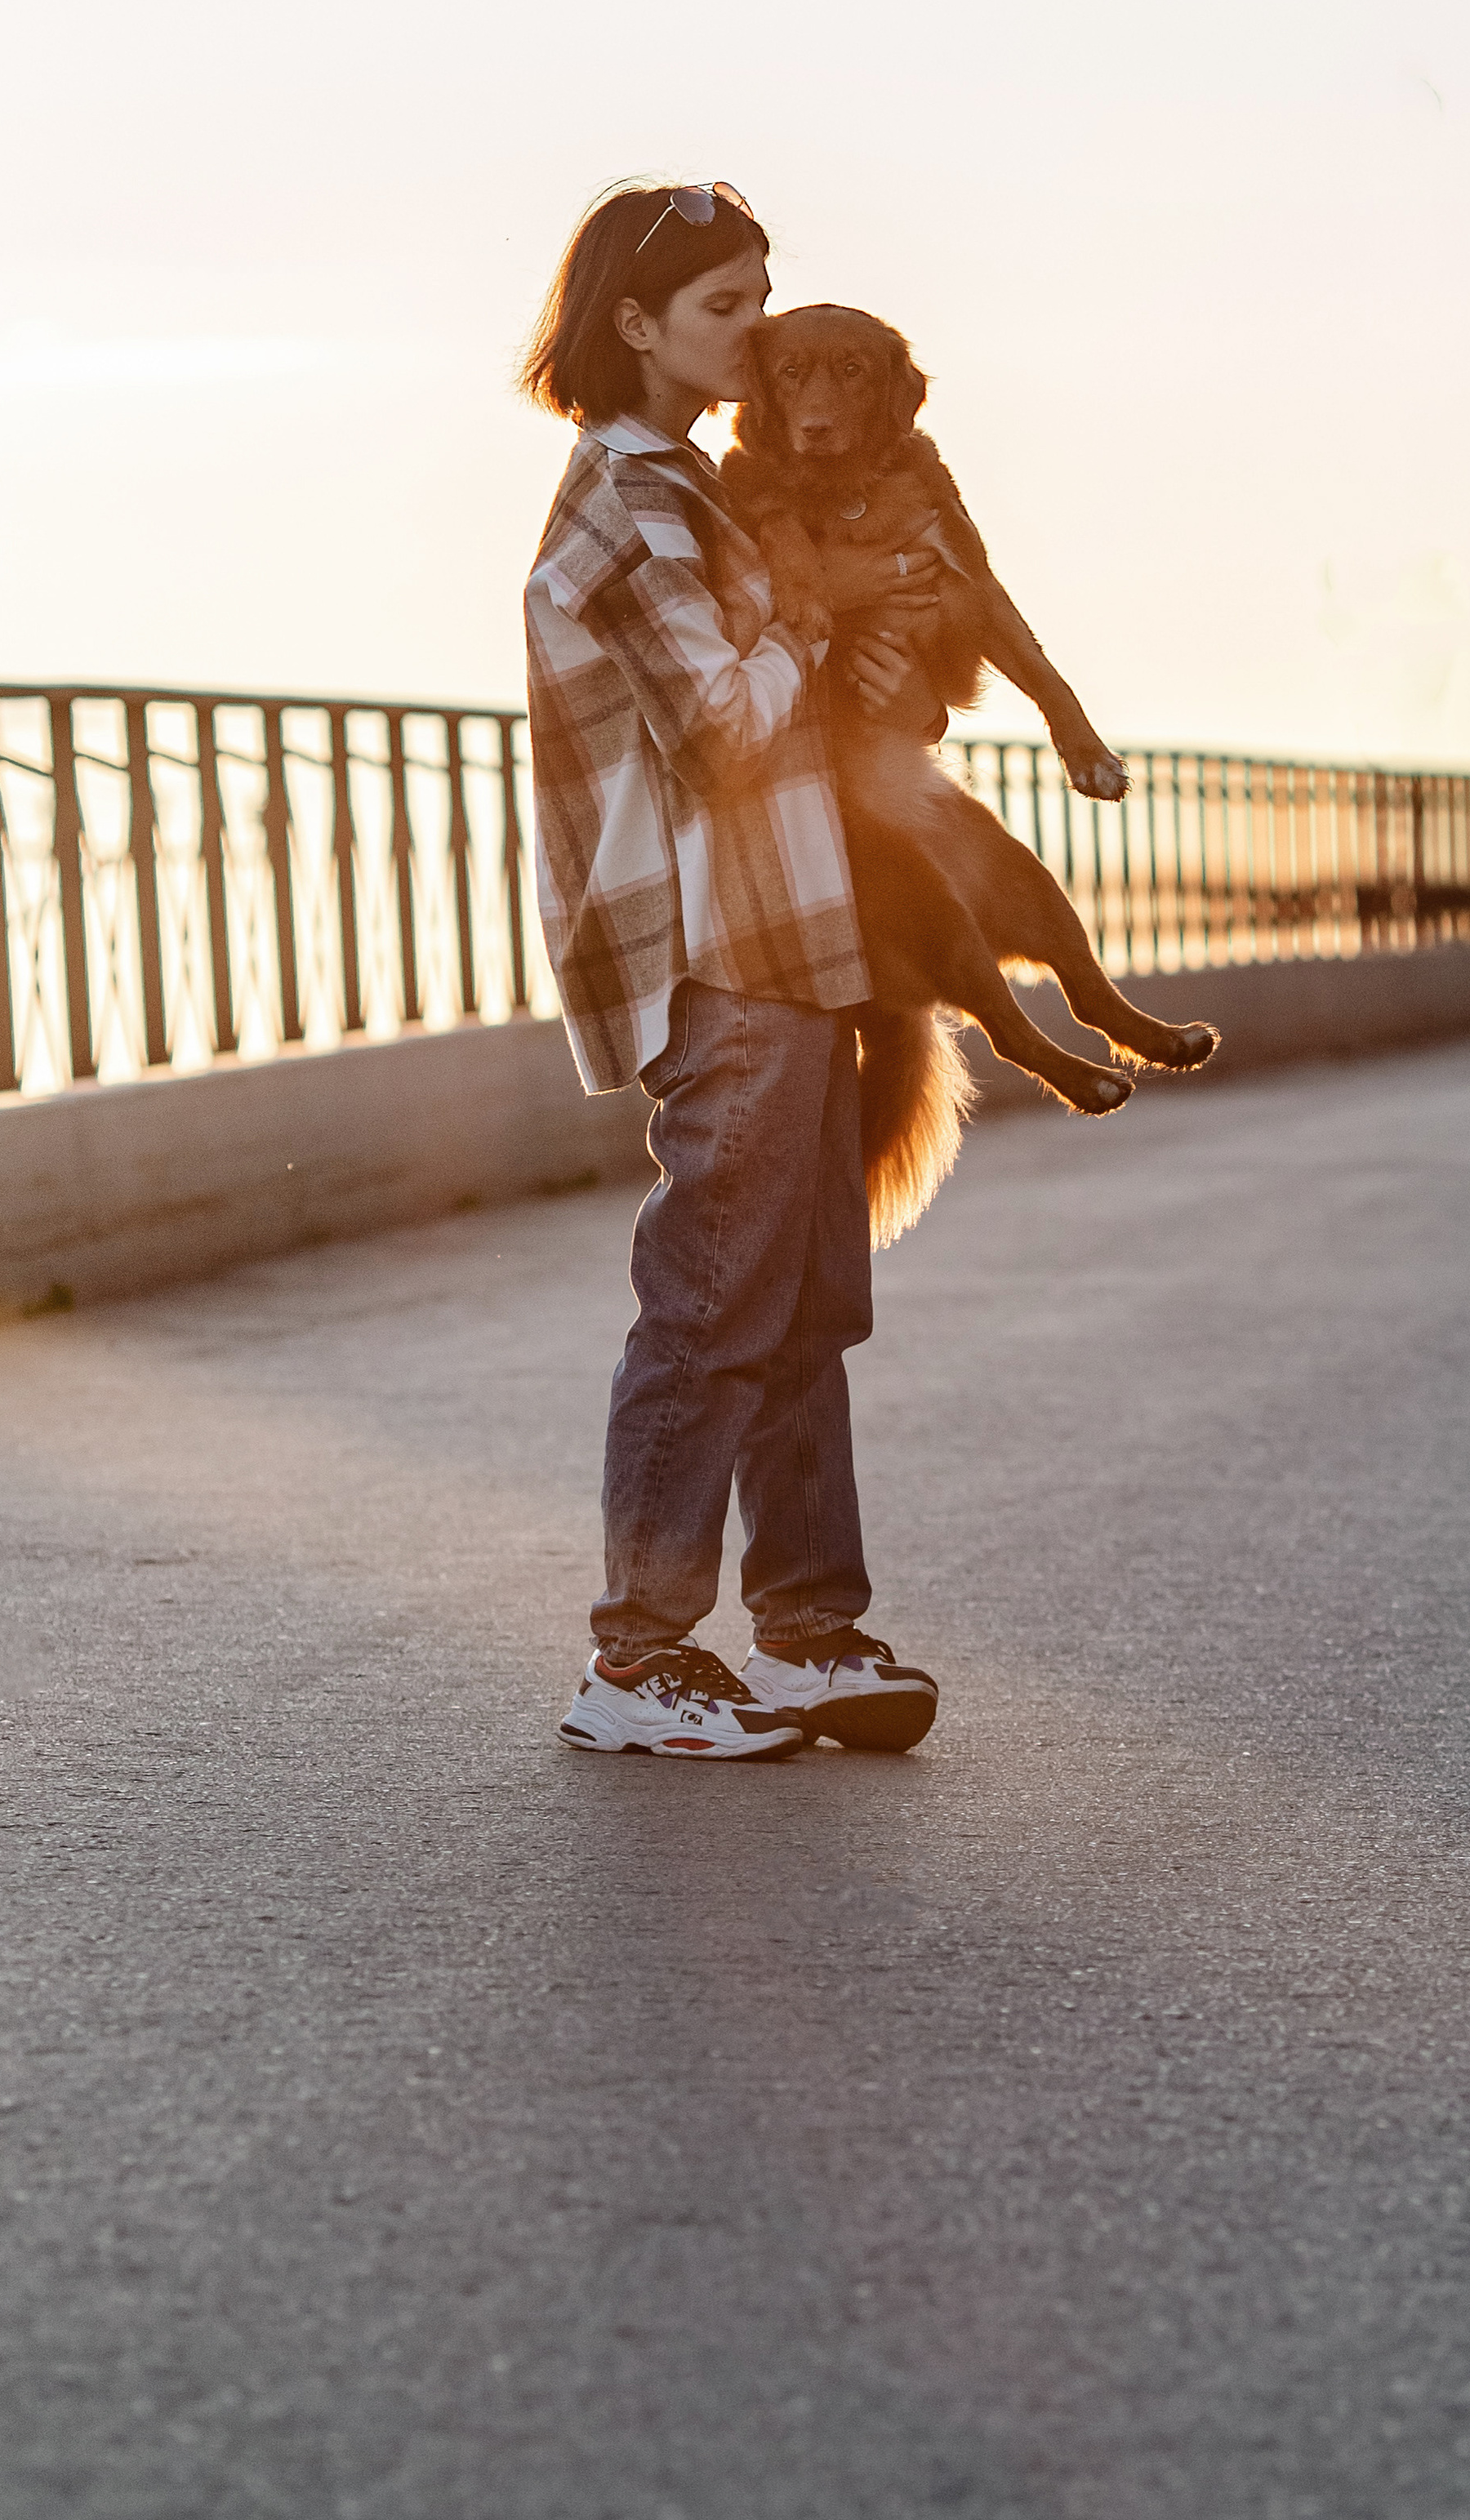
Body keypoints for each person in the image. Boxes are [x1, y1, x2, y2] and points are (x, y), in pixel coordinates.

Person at [520, 180, 948, 1761]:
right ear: (632, 327)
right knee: (710, 1303)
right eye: (724, 310)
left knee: (807, 1304)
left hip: (795, 935)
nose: (759, 336)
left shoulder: (697, 489)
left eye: (764, 297)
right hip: (719, 948)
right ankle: (634, 1663)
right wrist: (824, 612)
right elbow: (715, 727)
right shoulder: (630, 501)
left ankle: (811, 1638)